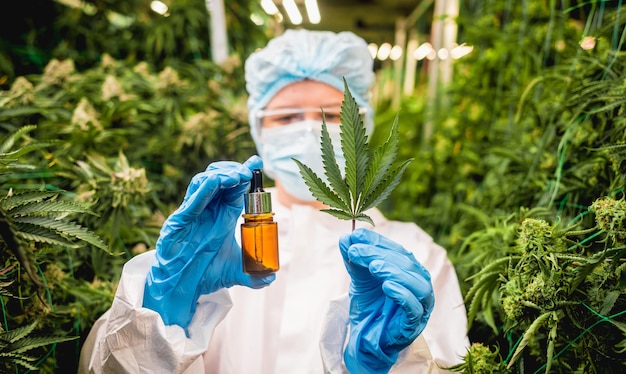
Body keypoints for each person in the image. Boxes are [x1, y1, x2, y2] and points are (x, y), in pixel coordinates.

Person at [79, 29, 469, 373]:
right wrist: (160, 317)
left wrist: (393, 366)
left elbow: (454, 364)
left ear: (360, 126)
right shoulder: (213, 243)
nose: (309, 130)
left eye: (331, 115)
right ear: (258, 129)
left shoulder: (413, 254)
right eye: (285, 118)